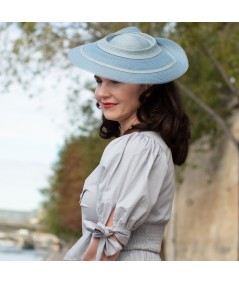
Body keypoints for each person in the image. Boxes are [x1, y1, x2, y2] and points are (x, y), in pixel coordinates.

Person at [63, 26, 191, 261]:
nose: (101, 93)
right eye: (99, 81)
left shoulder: (141, 146)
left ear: (148, 87)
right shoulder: (137, 145)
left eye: (116, 81)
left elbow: (108, 247)